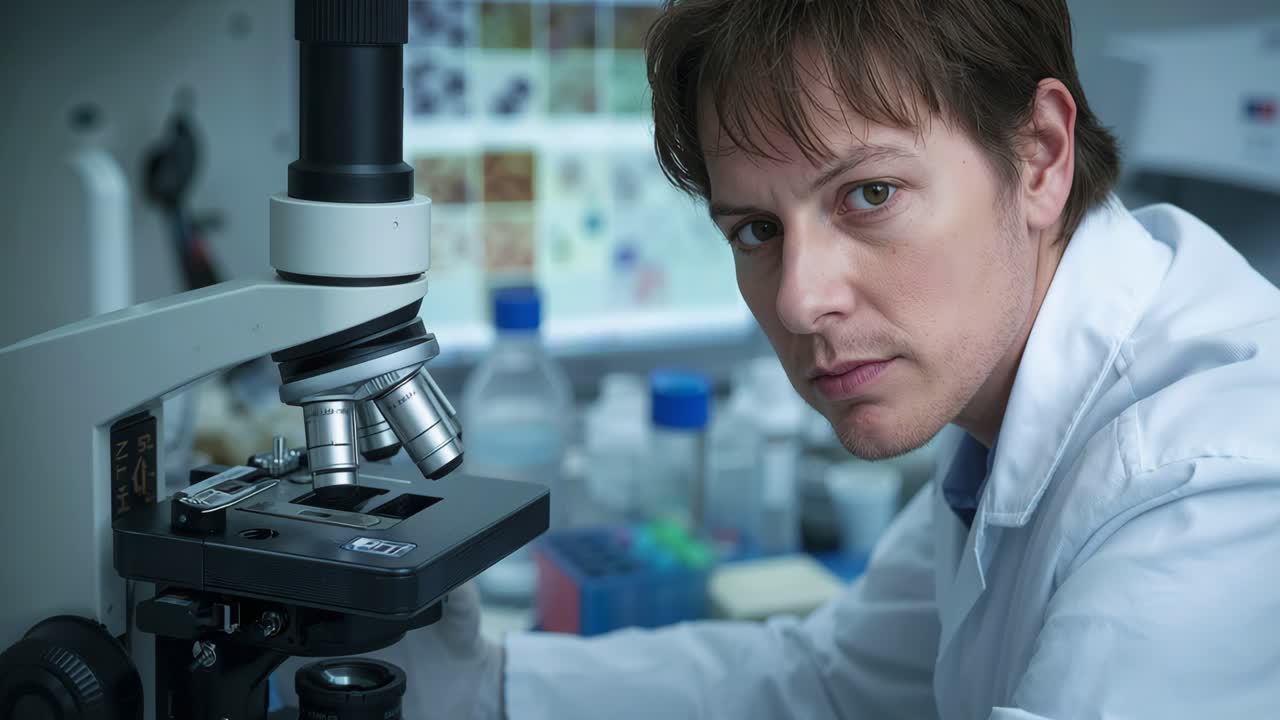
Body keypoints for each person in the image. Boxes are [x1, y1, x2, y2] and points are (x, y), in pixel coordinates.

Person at [279, 0, 1280, 717]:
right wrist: (488, 688)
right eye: (755, 228)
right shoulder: (1001, 402)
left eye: (868, 195)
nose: (799, 300)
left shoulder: (1205, 492)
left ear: (1039, 158)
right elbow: (825, 683)